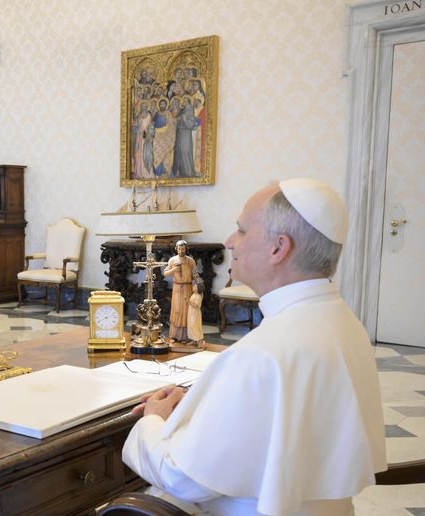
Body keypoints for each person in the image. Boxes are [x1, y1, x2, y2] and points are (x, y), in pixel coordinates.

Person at [123, 178, 386, 515]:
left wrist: (152, 420)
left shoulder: (262, 353)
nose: (230, 241)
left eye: (242, 230)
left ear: (278, 247)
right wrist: (214, 403)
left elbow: (182, 478)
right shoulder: (343, 321)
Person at [162, 240, 199, 342]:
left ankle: (187, 336)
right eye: (179, 249)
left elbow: (195, 274)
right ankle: (174, 335)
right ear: (176, 249)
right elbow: (165, 273)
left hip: (188, 288)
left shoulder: (190, 261)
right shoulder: (172, 260)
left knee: (187, 311)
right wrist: (174, 270)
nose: (181, 251)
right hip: (177, 288)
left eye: (183, 249)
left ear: (186, 249)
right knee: (177, 311)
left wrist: (199, 283)